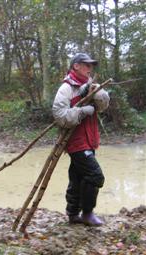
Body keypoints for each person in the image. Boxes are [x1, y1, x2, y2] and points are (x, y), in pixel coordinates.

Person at [52, 53, 110, 226]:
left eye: (91, 66)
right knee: (95, 175)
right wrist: (82, 111)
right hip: (76, 141)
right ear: (76, 66)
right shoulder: (67, 88)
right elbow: (60, 115)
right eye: (86, 65)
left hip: (89, 138)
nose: (89, 68)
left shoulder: (91, 85)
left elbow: (103, 106)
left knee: (77, 176)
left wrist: (99, 95)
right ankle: (87, 213)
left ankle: (73, 213)